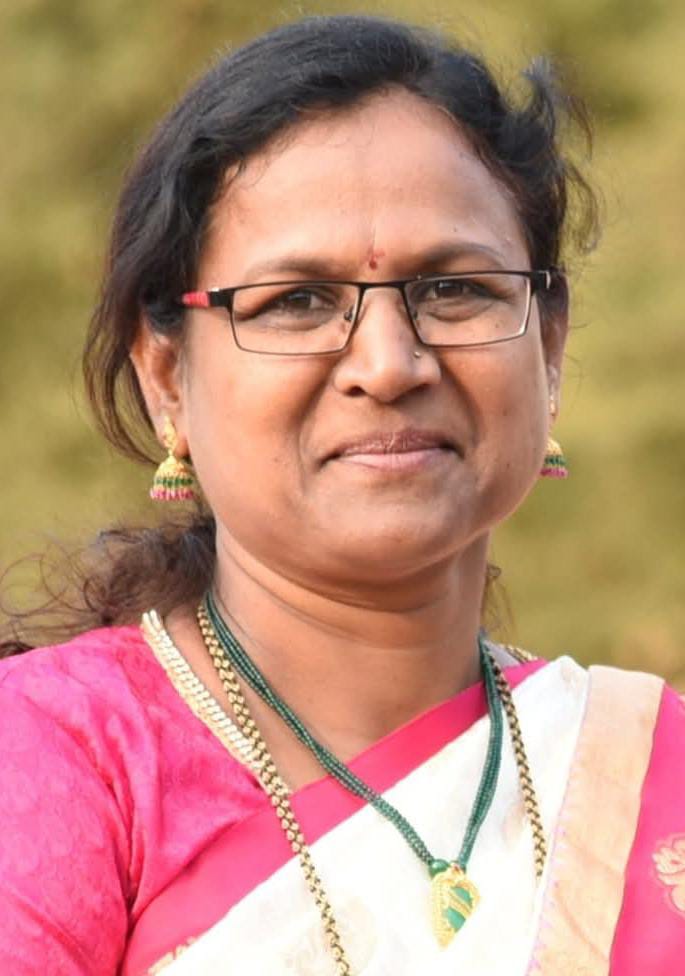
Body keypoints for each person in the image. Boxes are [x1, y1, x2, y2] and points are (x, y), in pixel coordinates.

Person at [0, 14, 682, 975]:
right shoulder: (59, 758)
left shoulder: (646, 772)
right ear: (166, 379)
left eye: (454, 288)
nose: (389, 364)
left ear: (550, 345)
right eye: (296, 302)